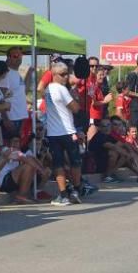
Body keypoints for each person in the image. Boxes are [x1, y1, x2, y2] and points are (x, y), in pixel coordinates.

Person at [43, 63, 85, 206]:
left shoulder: (48, 89)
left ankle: (64, 194)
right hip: (67, 132)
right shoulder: (62, 89)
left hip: (54, 133)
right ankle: (75, 190)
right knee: (74, 161)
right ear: (54, 75)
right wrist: (75, 96)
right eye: (63, 74)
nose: (66, 76)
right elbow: (76, 108)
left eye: (67, 73)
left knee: (59, 163)